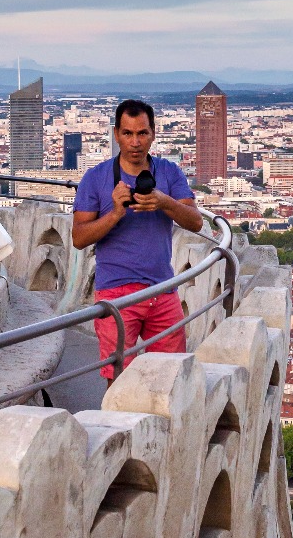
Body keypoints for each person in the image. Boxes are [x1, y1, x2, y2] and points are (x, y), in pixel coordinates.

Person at [72, 99, 203, 387]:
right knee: (119, 381)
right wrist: (116, 212)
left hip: (162, 288)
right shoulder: (95, 179)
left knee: (170, 377)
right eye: (128, 133)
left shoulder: (168, 172)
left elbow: (195, 222)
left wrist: (164, 201)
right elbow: (79, 238)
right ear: (116, 134)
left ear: (153, 134)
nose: (135, 142)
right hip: (116, 292)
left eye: (142, 133)